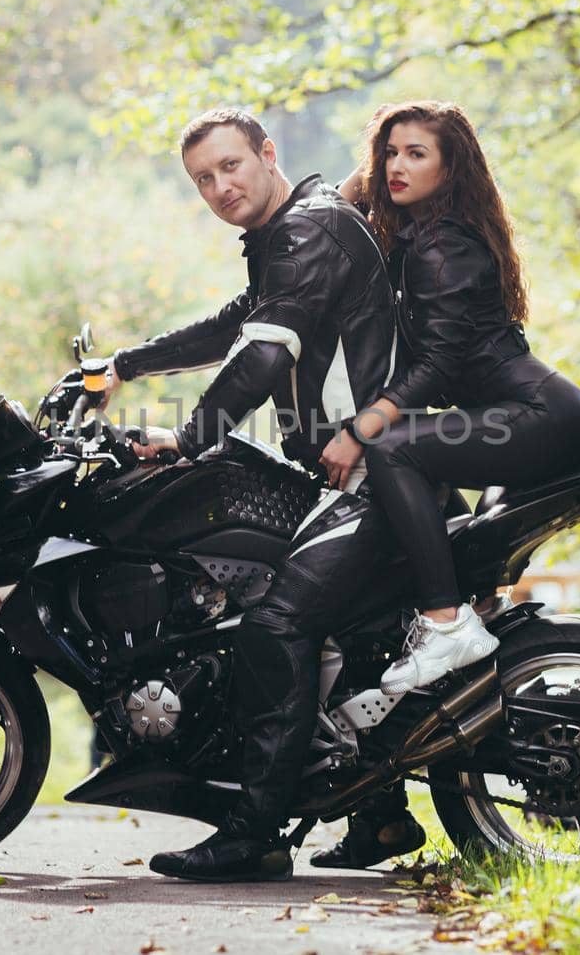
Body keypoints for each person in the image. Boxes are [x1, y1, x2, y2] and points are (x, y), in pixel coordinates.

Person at [102, 108, 400, 882]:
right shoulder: (287, 237)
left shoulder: (310, 229)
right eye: (203, 178)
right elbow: (240, 324)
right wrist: (125, 364)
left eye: (231, 165)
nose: (219, 186)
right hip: (350, 469)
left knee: (275, 625)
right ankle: (381, 814)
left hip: (378, 475)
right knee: (326, 616)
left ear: (268, 154)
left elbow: (262, 356)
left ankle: (255, 832)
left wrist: (188, 438)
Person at [307, 101, 580, 869]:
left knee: (397, 450)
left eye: (416, 154)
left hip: (538, 419)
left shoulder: (441, 245)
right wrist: (369, 173)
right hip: (526, 419)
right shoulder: (427, 234)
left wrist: (361, 427)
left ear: (451, 168)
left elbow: (436, 368)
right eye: (390, 154)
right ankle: (446, 688)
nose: (398, 168)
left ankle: (444, 624)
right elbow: (339, 207)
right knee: (427, 494)